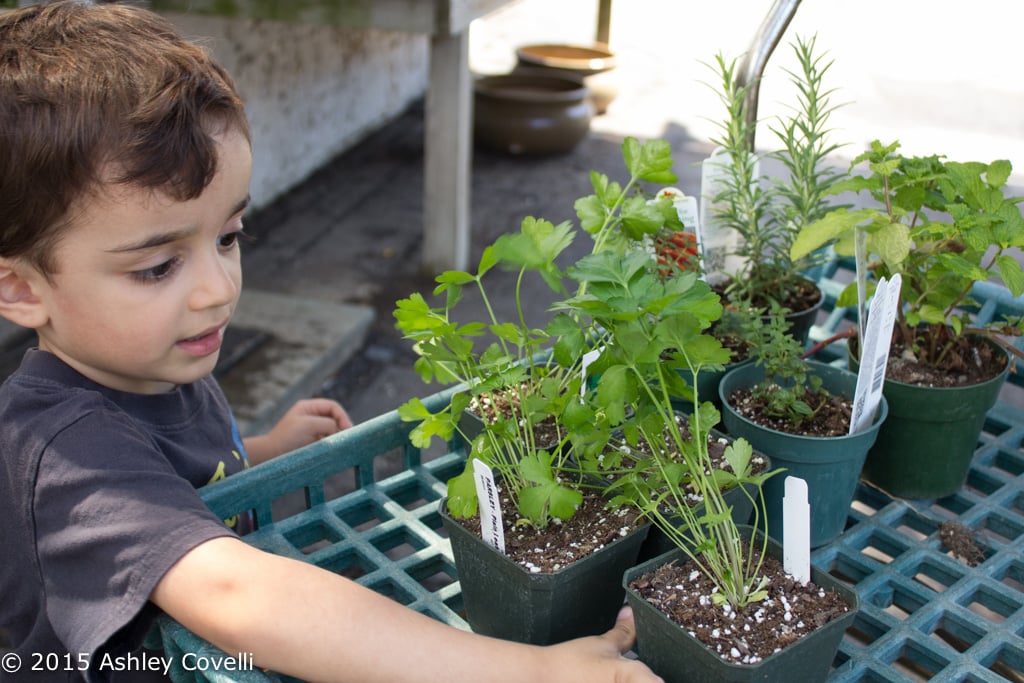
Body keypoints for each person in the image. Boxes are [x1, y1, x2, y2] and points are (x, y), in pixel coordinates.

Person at [0, 3, 662, 682]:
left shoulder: (150, 354)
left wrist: (257, 451)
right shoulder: (65, 459)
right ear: (23, 289)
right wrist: (530, 672)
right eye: (157, 266)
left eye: (228, 236)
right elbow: (242, 595)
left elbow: (168, 473)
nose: (218, 290)